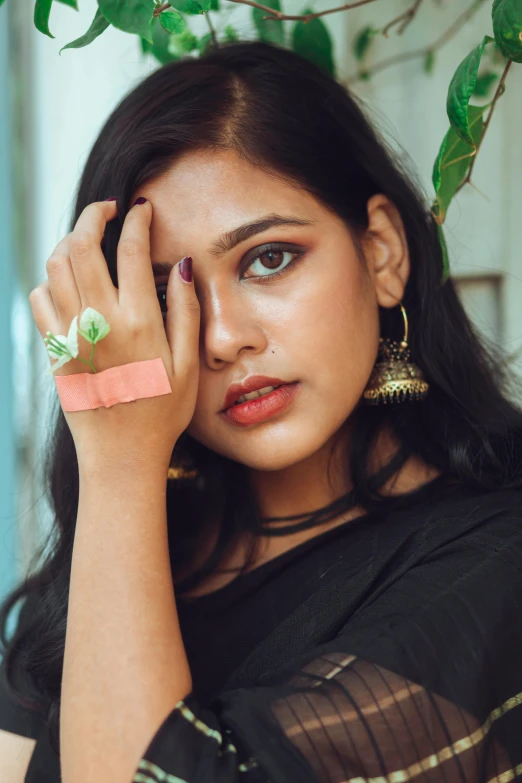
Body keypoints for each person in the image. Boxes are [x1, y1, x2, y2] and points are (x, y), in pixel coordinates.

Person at [1, 38, 522, 783]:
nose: (221, 338)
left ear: (382, 253)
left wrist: (119, 464)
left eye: (267, 258)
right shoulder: (125, 563)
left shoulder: (496, 561)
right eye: (165, 293)